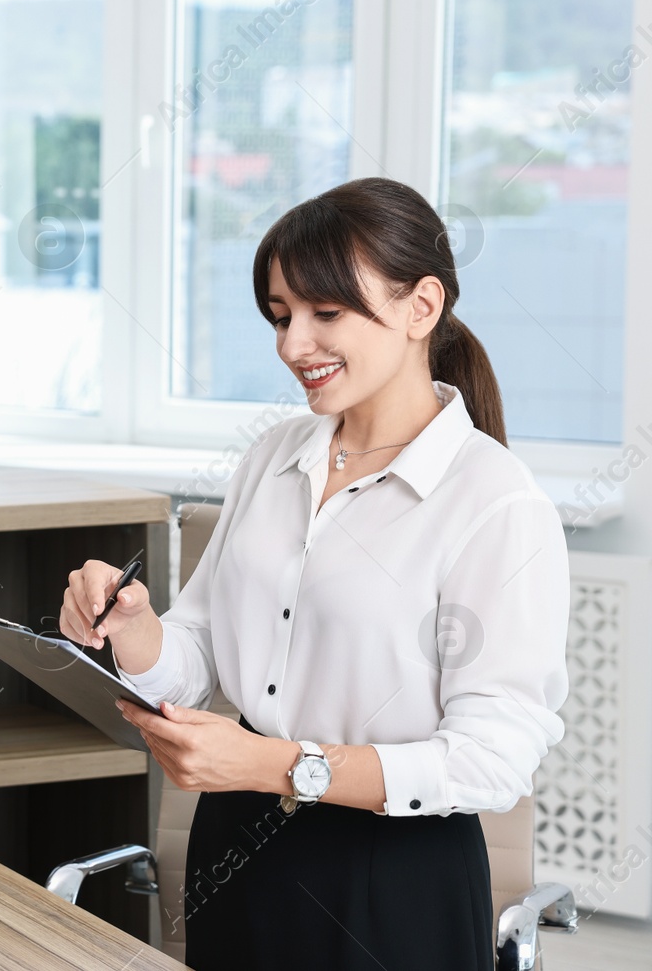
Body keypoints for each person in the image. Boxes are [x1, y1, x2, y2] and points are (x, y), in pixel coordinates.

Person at [60, 177, 568, 970]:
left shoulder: (495, 502)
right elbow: (197, 655)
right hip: (237, 844)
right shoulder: (275, 455)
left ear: (420, 307)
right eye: (279, 315)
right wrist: (135, 629)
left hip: (392, 872)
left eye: (326, 313)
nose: (294, 344)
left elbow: (492, 758)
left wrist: (272, 762)